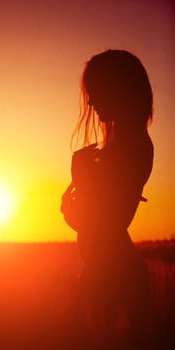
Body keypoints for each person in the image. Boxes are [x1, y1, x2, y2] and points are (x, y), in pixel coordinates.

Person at [61, 49, 154, 348]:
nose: (90, 101)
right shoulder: (127, 146)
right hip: (107, 274)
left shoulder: (134, 146)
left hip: (113, 280)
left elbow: (103, 226)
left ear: (120, 89)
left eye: (97, 90)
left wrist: (79, 179)